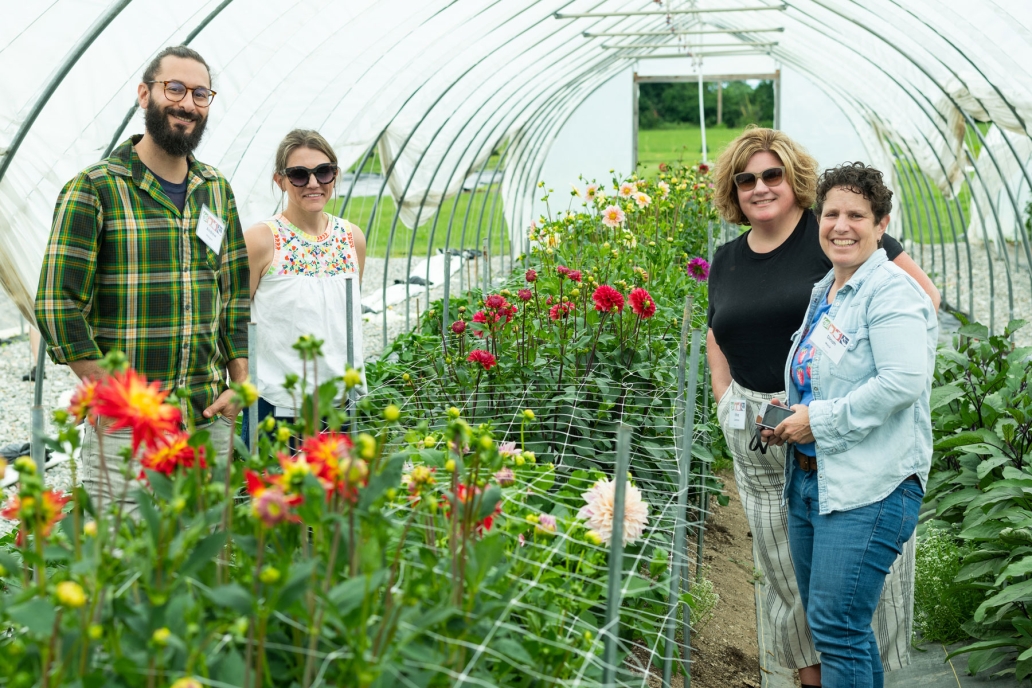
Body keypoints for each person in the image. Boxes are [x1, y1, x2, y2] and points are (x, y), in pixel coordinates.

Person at [706, 128, 940, 687]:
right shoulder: (763, 269)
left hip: (845, 444)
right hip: (771, 437)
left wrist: (833, 407)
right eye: (746, 178)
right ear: (732, 190)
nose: (760, 187)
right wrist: (728, 402)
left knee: (845, 608)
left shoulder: (852, 256)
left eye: (772, 175)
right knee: (791, 582)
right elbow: (718, 330)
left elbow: (913, 336)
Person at [36, 46, 249, 510]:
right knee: (126, 561)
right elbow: (57, 304)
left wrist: (239, 381)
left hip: (206, 417)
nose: (187, 104)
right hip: (127, 430)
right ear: (144, 94)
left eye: (200, 94)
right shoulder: (95, 188)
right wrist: (113, 395)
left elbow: (233, 294)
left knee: (205, 558)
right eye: (174, 88)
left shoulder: (215, 189)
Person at [764, 162, 936, 687]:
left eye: (857, 215)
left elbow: (902, 381)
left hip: (871, 484)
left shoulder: (891, 293)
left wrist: (818, 420)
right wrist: (790, 409)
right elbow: (825, 375)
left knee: (840, 628)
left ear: (881, 224)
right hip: (815, 479)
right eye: (832, 213)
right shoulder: (829, 290)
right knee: (830, 627)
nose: (841, 225)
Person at [242, 129, 366, 441]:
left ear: (334, 176)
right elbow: (234, 320)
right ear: (280, 180)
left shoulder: (352, 238)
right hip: (277, 407)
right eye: (299, 175)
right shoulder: (261, 240)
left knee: (337, 490)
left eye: (323, 172)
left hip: (340, 404)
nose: (313, 183)